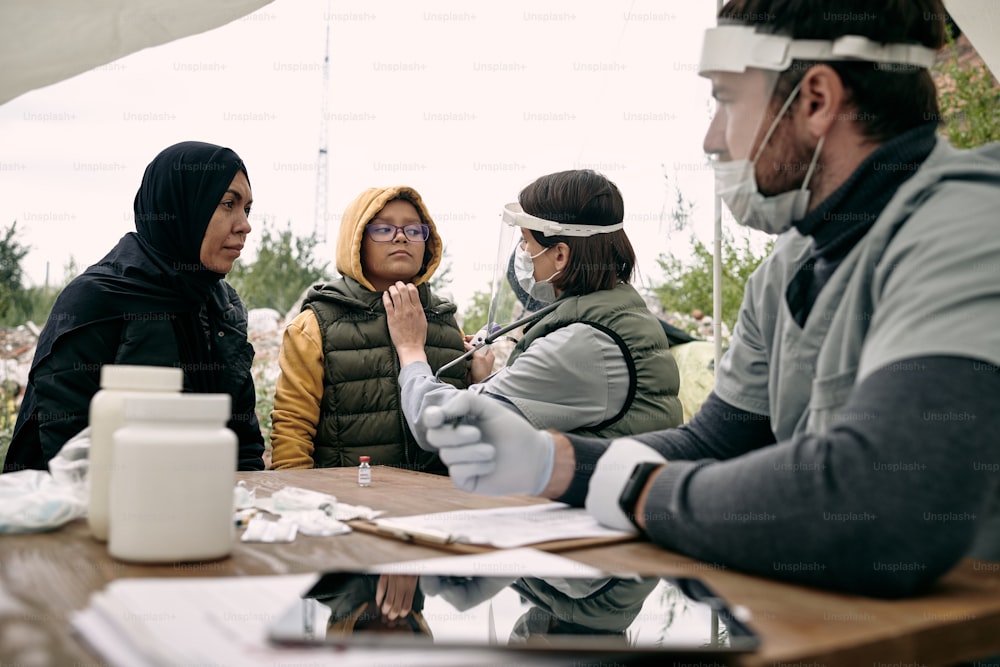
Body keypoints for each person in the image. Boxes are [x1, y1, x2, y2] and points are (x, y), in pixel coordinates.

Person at [421, 0, 1000, 598]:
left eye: (725, 99)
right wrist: (553, 461)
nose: (713, 138)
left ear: (816, 100)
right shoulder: (789, 265)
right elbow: (717, 443)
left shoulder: (974, 226)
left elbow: (885, 505)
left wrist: (636, 491)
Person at [383, 170, 684, 486]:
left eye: (526, 241)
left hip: (594, 522)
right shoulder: (616, 312)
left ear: (560, 255)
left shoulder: (584, 342)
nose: (523, 254)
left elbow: (445, 425)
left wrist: (410, 350)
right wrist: (488, 380)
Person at [2, 141, 265, 473]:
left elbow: (243, 440)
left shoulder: (222, 307)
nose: (244, 224)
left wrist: (241, 505)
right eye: (228, 204)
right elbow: (67, 448)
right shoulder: (97, 300)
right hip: (93, 511)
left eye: (247, 209)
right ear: (183, 206)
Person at [269, 186, 467, 471]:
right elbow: (292, 428)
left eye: (413, 230)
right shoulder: (315, 324)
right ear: (356, 239)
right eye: (384, 229)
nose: (401, 236)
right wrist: (298, 497)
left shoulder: (445, 322)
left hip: (438, 506)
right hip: (347, 505)